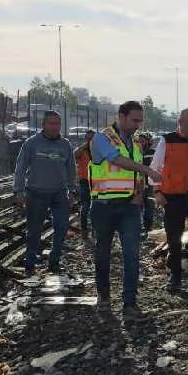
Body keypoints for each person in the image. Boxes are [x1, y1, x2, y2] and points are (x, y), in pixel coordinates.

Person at [89, 101, 162, 317]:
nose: (138, 125)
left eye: (140, 121)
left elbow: (136, 174)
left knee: (132, 254)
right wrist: (147, 169)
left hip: (129, 207)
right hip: (104, 206)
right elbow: (117, 160)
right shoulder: (102, 138)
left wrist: (139, 195)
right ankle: (103, 295)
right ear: (121, 116)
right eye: (134, 120)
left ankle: (129, 302)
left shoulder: (136, 142)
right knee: (103, 252)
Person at [149, 109, 188, 295]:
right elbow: (155, 167)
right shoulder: (167, 141)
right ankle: (175, 276)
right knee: (174, 239)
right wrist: (156, 190)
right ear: (180, 122)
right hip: (173, 197)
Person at [13, 110, 76, 276]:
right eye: (51, 123)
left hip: (59, 193)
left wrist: (73, 189)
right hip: (35, 193)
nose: (54, 127)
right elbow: (20, 168)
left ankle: (54, 262)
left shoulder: (65, 145)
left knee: (62, 227)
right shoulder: (31, 143)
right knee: (34, 230)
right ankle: (30, 265)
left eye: (57, 124)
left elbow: (71, 169)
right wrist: (18, 191)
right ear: (43, 124)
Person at [73, 129, 95, 237]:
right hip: (85, 181)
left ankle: (96, 230)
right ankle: (84, 229)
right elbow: (74, 155)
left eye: (92, 138)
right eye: (88, 138)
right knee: (86, 205)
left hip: (97, 182)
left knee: (97, 206)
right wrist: (85, 145)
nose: (90, 140)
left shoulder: (99, 150)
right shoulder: (82, 150)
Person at [140, 133, 157, 234]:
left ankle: (147, 227)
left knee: (149, 205)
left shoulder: (151, 152)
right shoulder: (137, 152)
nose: (141, 143)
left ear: (148, 141)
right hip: (140, 183)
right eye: (140, 140)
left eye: (143, 140)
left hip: (149, 184)